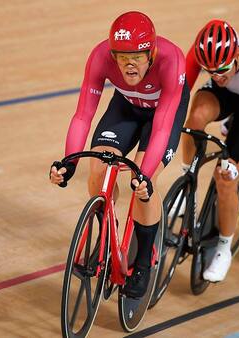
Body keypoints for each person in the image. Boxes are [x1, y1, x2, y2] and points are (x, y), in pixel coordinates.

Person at [49, 11, 189, 298]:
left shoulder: (172, 60)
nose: (128, 63)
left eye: (136, 56)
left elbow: (162, 128)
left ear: (151, 52)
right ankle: (107, 240)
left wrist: (145, 176)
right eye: (121, 57)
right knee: (98, 167)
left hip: (162, 115)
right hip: (126, 107)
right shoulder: (101, 56)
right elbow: (83, 114)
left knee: (141, 186)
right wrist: (70, 163)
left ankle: (143, 263)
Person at [180, 19, 239, 282]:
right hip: (226, 96)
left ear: (235, 55)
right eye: (210, 71)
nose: (217, 76)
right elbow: (181, 94)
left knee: (225, 179)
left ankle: (224, 248)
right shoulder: (204, 55)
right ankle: (186, 180)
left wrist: (233, 160)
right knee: (194, 120)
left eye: (222, 68)